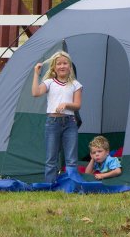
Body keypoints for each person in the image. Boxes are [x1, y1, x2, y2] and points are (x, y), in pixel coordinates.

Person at [31, 51, 82, 184]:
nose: (62, 66)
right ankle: (49, 185)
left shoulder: (76, 84)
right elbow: (35, 93)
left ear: (70, 67)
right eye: (58, 64)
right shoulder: (49, 82)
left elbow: (77, 105)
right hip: (53, 122)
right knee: (51, 159)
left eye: (65, 63)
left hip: (70, 123)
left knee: (71, 159)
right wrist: (36, 74)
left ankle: (72, 185)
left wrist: (66, 104)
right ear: (54, 67)